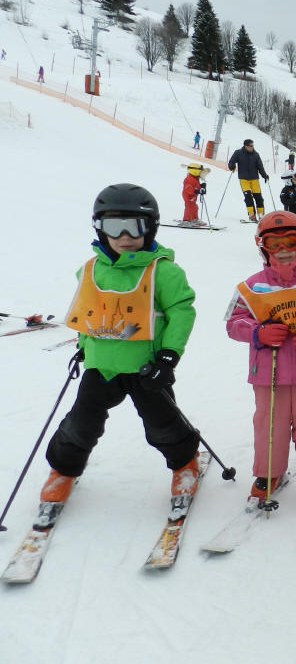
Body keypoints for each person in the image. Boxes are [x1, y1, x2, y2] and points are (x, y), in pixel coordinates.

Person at [43, 184, 202, 510]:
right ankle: (63, 469)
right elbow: (90, 311)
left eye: (135, 226)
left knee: (162, 423)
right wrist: (84, 346)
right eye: (115, 226)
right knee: (81, 423)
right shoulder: (90, 269)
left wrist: (168, 356)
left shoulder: (163, 271)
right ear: (100, 229)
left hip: (146, 368)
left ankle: (185, 462)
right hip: (101, 366)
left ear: (150, 228)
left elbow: (181, 312)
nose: (125, 236)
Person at [225, 211, 296, 503]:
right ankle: (269, 471)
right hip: (267, 372)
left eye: (290, 241)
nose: (283, 250)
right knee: (269, 423)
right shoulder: (252, 286)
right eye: (274, 244)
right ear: (263, 248)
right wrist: (257, 332)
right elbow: (233, 322)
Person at [227, 139, 270, 221]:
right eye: (250, 146)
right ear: (245, 146)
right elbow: (231, 162)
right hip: (244, 179)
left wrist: (264, 175)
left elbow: (260, 167)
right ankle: (251, 214)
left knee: (258, 197)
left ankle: (261, 214)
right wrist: (231, 166)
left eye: (253, 145)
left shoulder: (256, 155)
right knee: (248, 197)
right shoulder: (238, 153)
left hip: (254, 179)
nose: (252, 147)